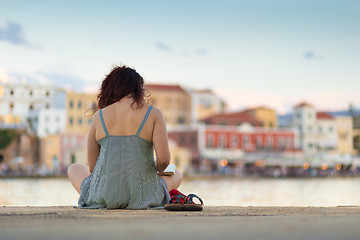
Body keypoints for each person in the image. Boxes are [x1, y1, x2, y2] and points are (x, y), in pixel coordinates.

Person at [67, 65, 183, 209]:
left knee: (74, 168)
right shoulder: (154, 113)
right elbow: (164, 161)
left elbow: (93, 167)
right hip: (144, 196)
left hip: (104, 196)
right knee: (176, 173)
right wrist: (154, 168)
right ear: (138, 89)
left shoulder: (99, 116)